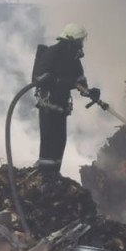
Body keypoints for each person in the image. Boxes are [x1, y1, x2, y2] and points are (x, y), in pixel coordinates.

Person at [32, 23, 100, 175]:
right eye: (79, 40)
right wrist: (63, 82)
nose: (81, 44)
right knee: (49, 141)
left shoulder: (73, 58)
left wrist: (90, 92)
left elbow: (79, 81)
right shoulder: (52, 53)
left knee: (60, 141)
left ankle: (54, 175)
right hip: (48, 105)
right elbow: (39, 78)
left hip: (61, 106)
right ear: (71, 40)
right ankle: (45, 176)